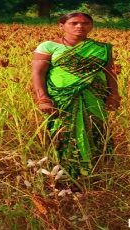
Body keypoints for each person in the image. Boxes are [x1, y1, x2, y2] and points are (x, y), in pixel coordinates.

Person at [31, 12, 121, 178]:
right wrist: (42, 98)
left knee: (96, 130)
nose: (80, 26)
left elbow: (110, 72)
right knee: (62, 131)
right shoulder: (49, 46)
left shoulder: (101, 48)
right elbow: (38, 74)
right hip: (61, 99)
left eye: (85, 23)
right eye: (74, 23)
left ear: (91, 26)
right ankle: (62, 174)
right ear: (61, 26)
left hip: (93, 97)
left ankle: (96, 172)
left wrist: (114, 94)